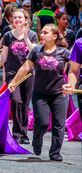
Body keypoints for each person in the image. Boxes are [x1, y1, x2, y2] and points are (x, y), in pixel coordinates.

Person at [9, 24, 70, 162]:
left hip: (60, 94)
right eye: (41, 32)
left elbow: (76, 65)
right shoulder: (36, 51)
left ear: (54, 36)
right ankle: (37, 139)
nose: (41, 35)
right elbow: (25, 68)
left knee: (59, 124)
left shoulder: (64, 52)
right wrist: (14, 82)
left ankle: (55, 153)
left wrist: (72, 83)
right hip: (40, 94)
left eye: (45, 33)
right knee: (42, 122)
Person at [0, 9, 38, 144]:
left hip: (28, 73)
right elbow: (3, 56)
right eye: (15, 17)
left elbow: (35, 52)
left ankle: (24, 134)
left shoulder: (32, 35)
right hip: (12, 74)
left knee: (25, 104)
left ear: (26, 20)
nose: (17, 20)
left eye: (20, 18)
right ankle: (17, 133)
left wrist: (26, 38)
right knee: (16, 101)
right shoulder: (8, 36)